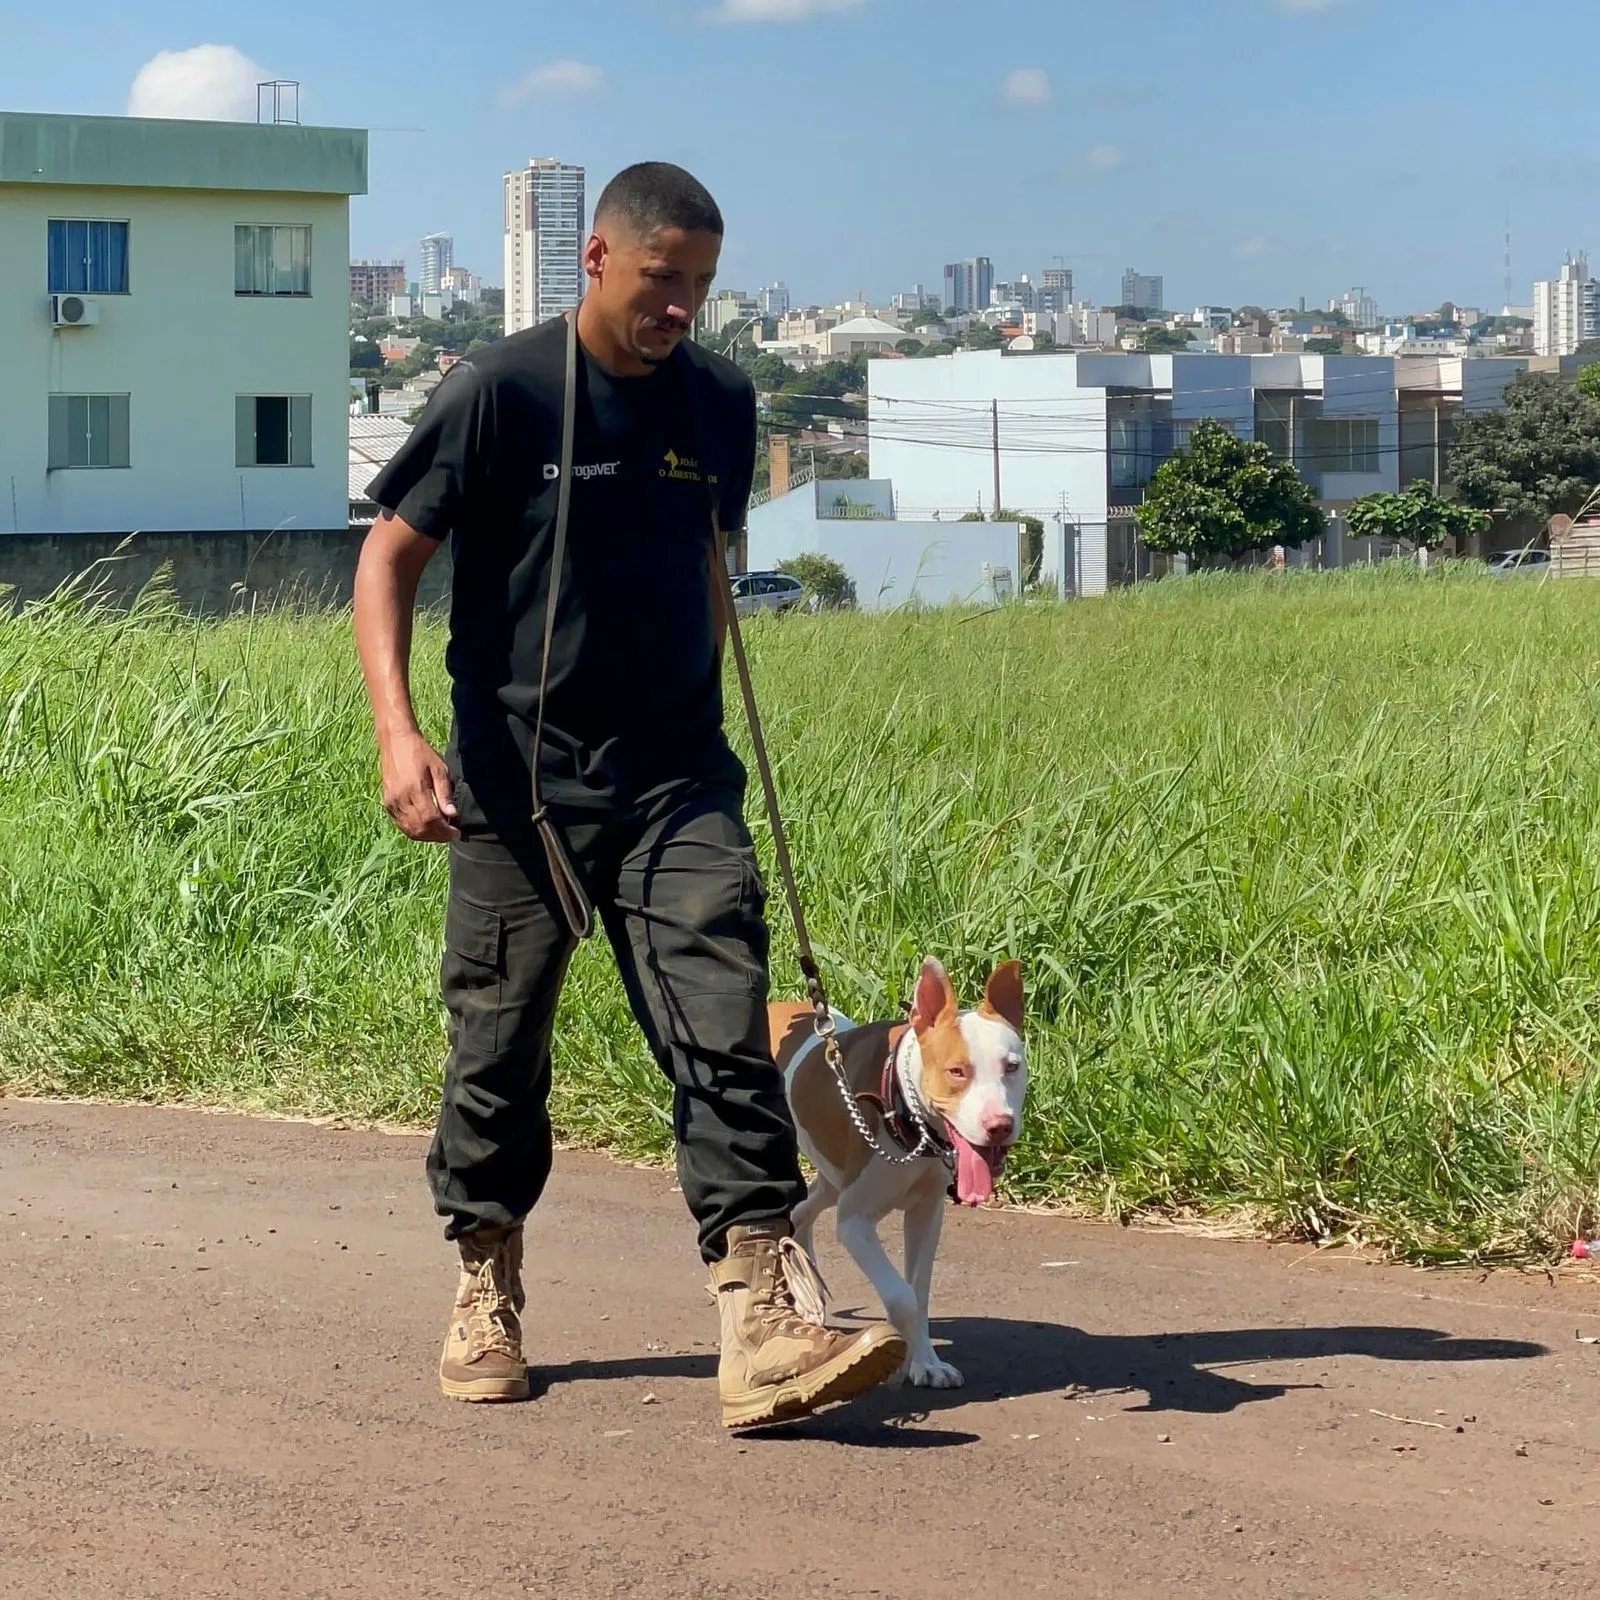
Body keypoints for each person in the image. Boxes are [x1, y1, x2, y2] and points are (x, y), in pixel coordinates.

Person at [353, 162, 905, 1428]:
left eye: (701, 287)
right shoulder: (501, 389)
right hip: (515, 786)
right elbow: (387, 558)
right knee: (497, 1050)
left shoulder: (716, 397)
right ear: (596, 259)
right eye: (663, 282)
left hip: (672, 780)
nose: (681, 310)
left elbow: (708, 565)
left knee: (721, 1020)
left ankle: (762, 1309)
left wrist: (703, 717)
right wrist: (401, 736)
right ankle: (485, 1276)